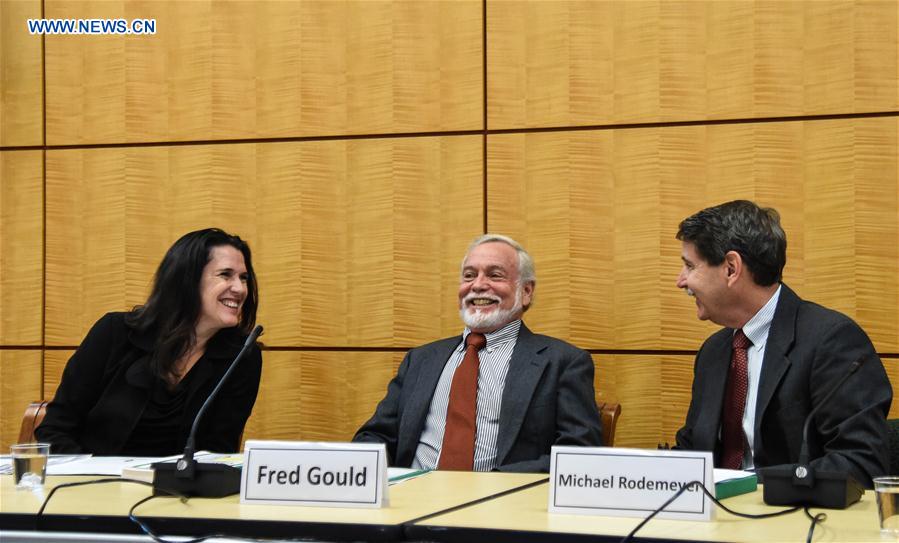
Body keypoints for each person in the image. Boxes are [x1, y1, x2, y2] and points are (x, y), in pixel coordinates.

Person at [674, 200, 891, 487]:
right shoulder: (713, 352)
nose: (681, 281)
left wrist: (746, 486)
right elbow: (691, 452)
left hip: (797, 522)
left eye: (690, 266)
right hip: (711, 526)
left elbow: (861, 462)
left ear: (730, 268)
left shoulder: (832, 342)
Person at [353, 234, 602, 472]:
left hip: (503, 505)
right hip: (410, 501)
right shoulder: (420, 359)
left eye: (495, 275)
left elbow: (578, 453)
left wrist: (491, 485)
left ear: (526, 292)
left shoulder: (563, 362)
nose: (479, 285)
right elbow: (376, 436)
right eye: (469, 275)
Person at [36, 228, 262, 456]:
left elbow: (219, 451)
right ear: (187, 279)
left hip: (182, 489)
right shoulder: (114, 332)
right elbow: (55, 430)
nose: (240, 288)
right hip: (93, 483)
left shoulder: (242, 356)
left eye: (243, 278)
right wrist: (94, 479)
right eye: (226, 274)